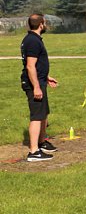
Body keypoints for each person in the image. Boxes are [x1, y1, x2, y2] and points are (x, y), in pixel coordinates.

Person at [20, 14, 59, 162]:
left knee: (43, 113)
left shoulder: (33, 39)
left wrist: (46, 77)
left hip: (40, 81)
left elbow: (36, 65)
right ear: (41, 24)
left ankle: (42, 142)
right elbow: (30, 66)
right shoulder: (32, 41)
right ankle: (34, 151)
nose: (46, 24)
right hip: (33, 84)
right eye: (45, 22)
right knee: (37, 117)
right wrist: (36, 86)